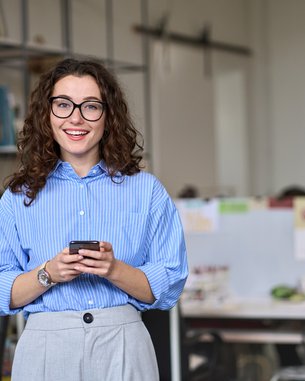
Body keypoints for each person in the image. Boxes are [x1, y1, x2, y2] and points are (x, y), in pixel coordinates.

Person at [0, 57, 188, 381]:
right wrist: (49, 274)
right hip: (46, 348)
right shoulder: (18, 197)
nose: (76, 118)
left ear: (107, 116)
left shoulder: (146, 191)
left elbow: (171, 279)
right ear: (47, 114)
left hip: (124, 346)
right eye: (63, 104)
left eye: (90, 106)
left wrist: (114, 270)